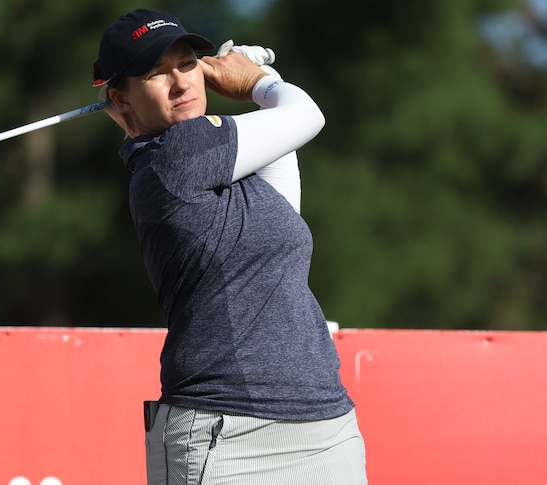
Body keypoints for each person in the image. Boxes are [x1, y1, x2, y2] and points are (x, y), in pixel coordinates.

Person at [93, 9, 367, 485]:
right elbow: (305, 114)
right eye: (156, 74)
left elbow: (285, 155)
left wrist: (262, 78)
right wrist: (255, 80)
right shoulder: (175, 156)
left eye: (187, 63)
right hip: (227, 434)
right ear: (121, 98)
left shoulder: (223, 162)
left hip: (326, 424)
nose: (181, 83)